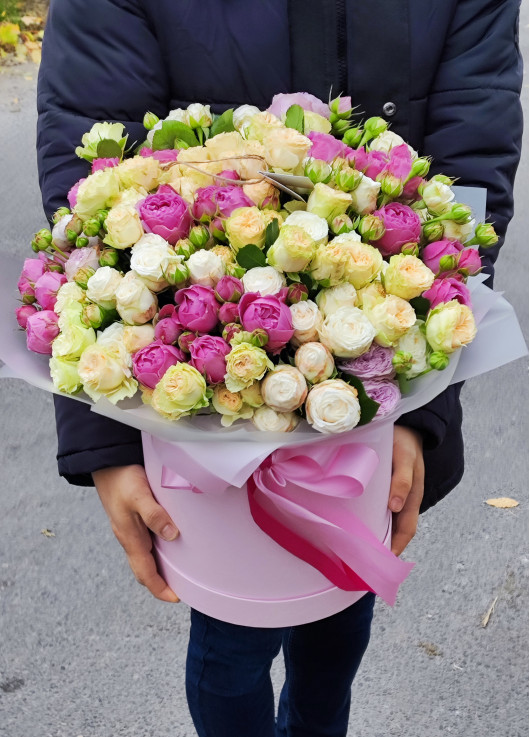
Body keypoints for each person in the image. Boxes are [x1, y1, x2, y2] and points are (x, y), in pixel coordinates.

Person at [36, 1, 523, 735]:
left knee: (340, 611)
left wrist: (419, 402)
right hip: (200, 410)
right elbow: (86, 212)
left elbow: (467, 175)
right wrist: (102, 434)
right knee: (232, 636)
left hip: (370, 383)